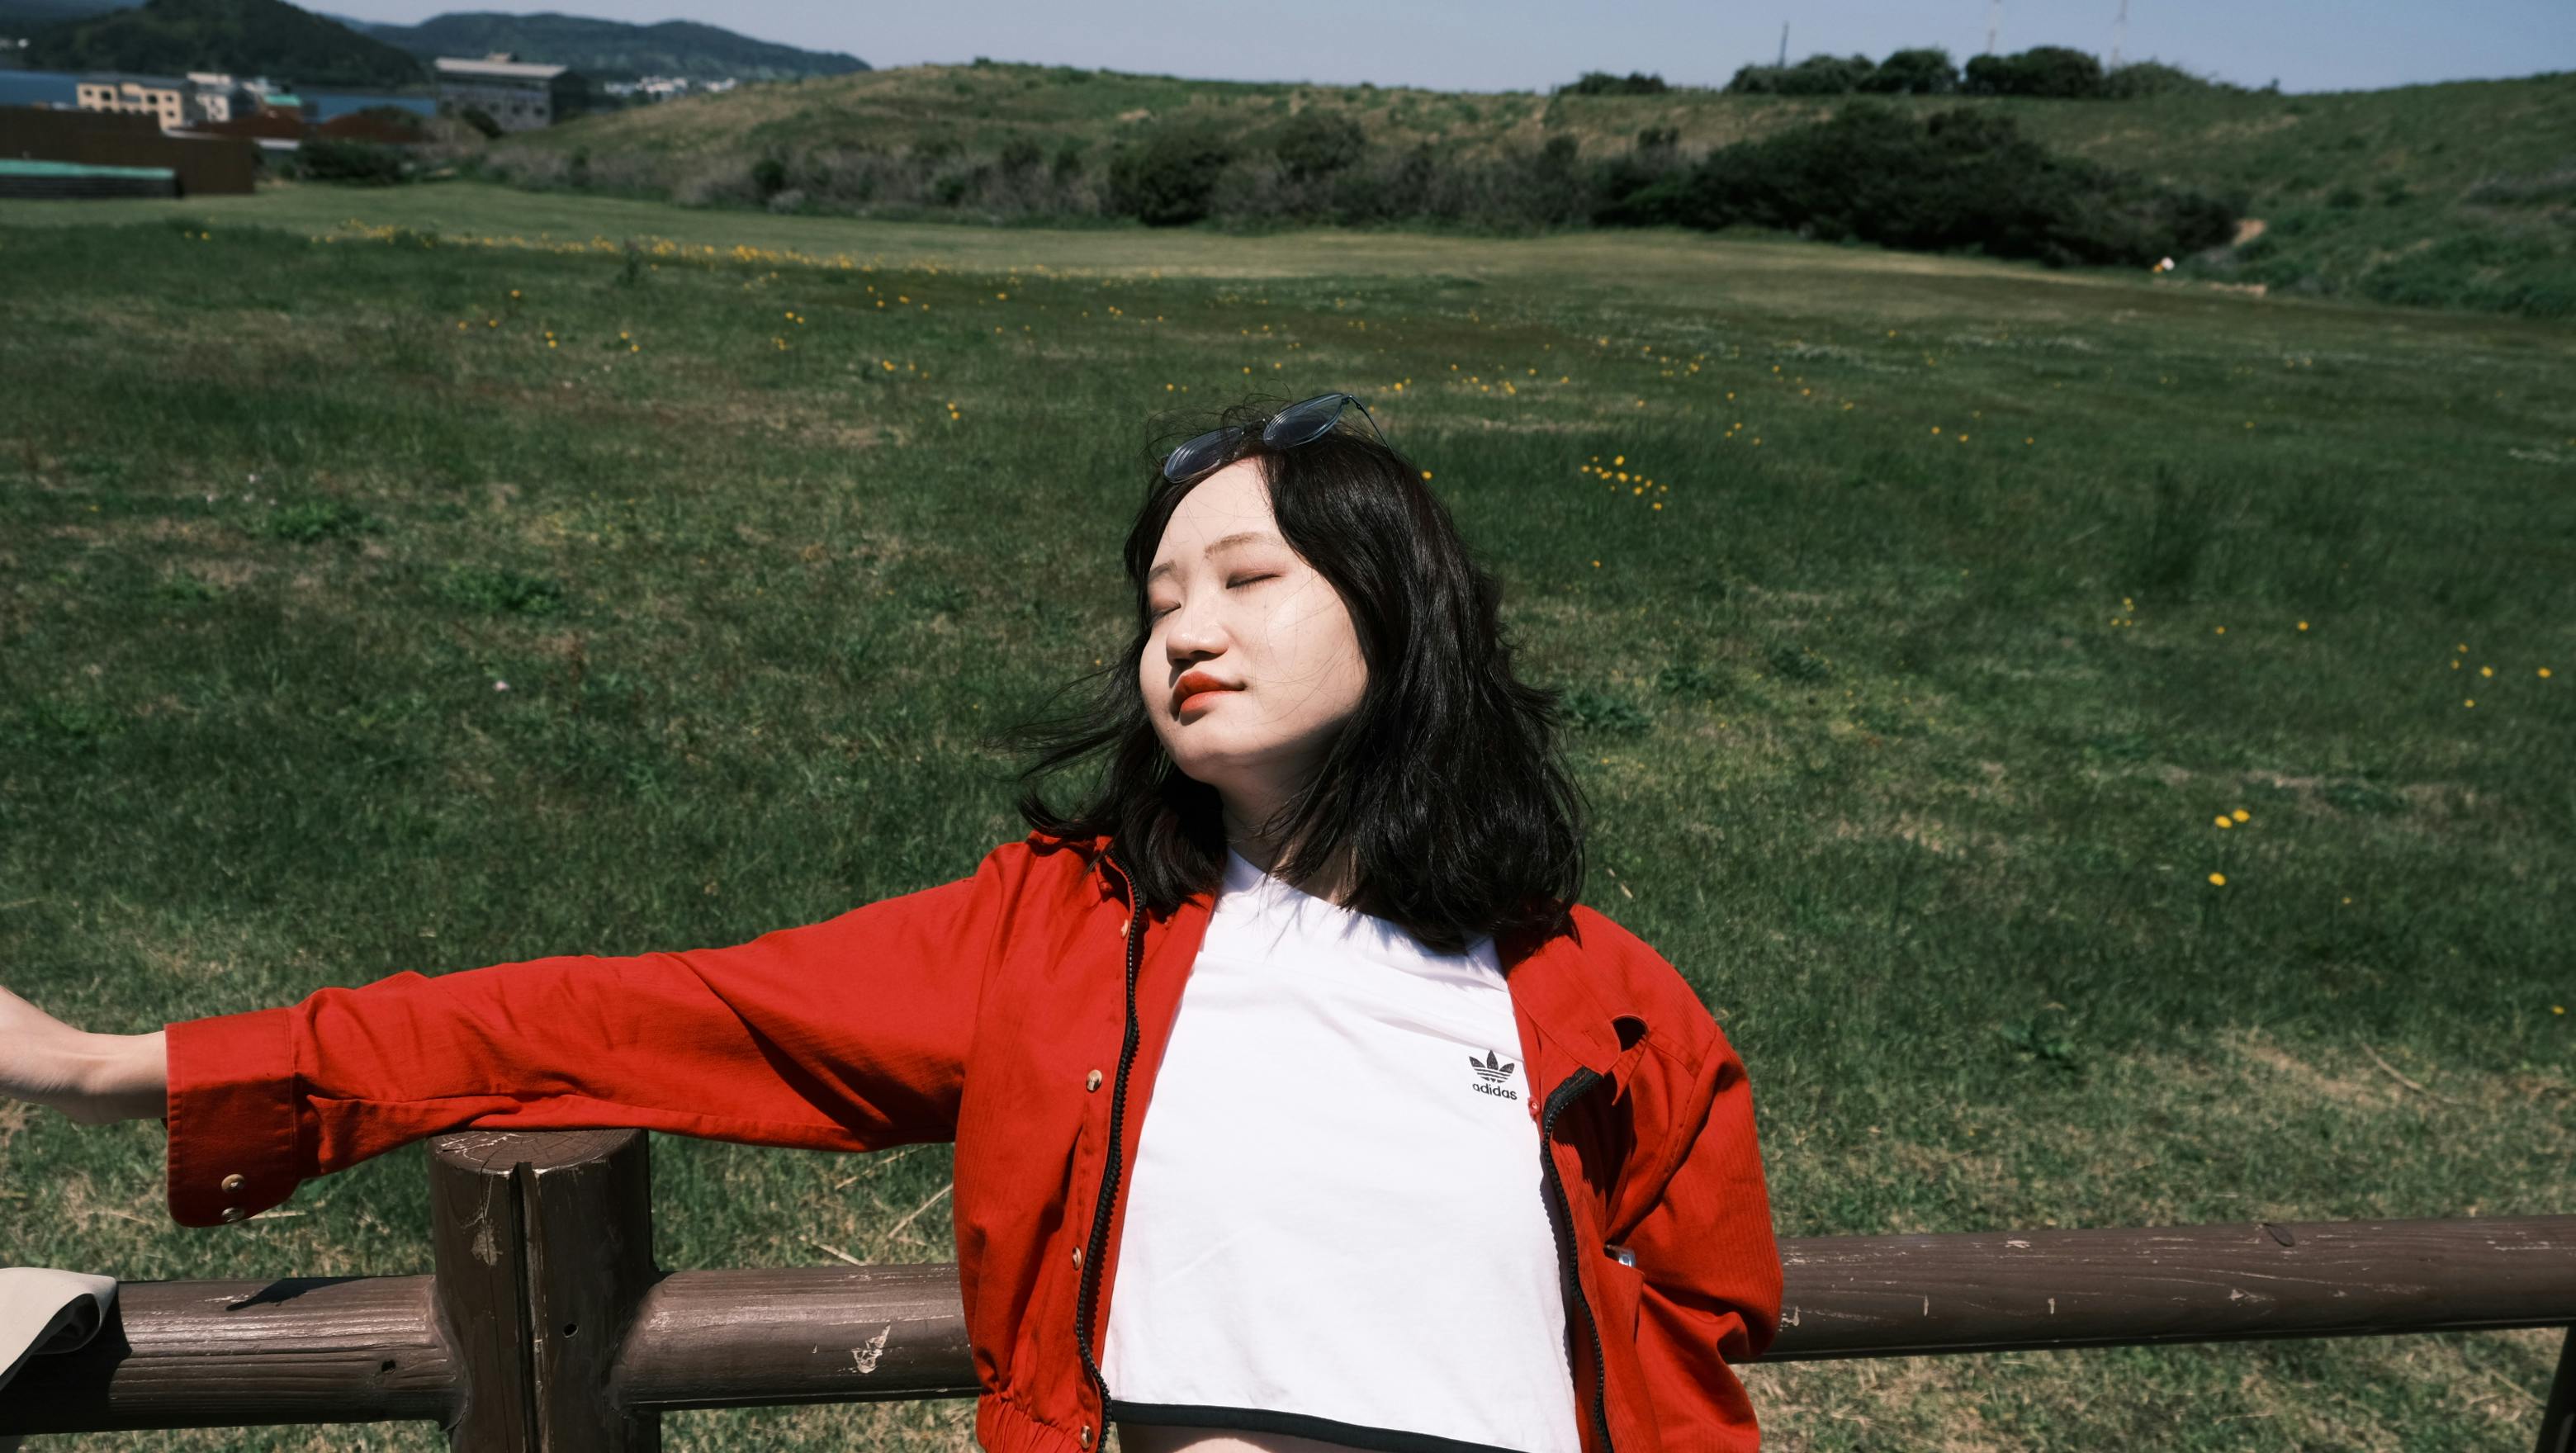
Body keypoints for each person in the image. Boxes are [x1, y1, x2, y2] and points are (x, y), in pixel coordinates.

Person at [0, 391, 1783, 1453]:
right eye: (1159, 596)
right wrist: (105, 1068)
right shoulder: (1060, 936)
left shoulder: (1600, 999)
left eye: (1249, 578)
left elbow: (1702, 1327)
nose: (1183, 629)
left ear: (1403, 621)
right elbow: (608, 1018)